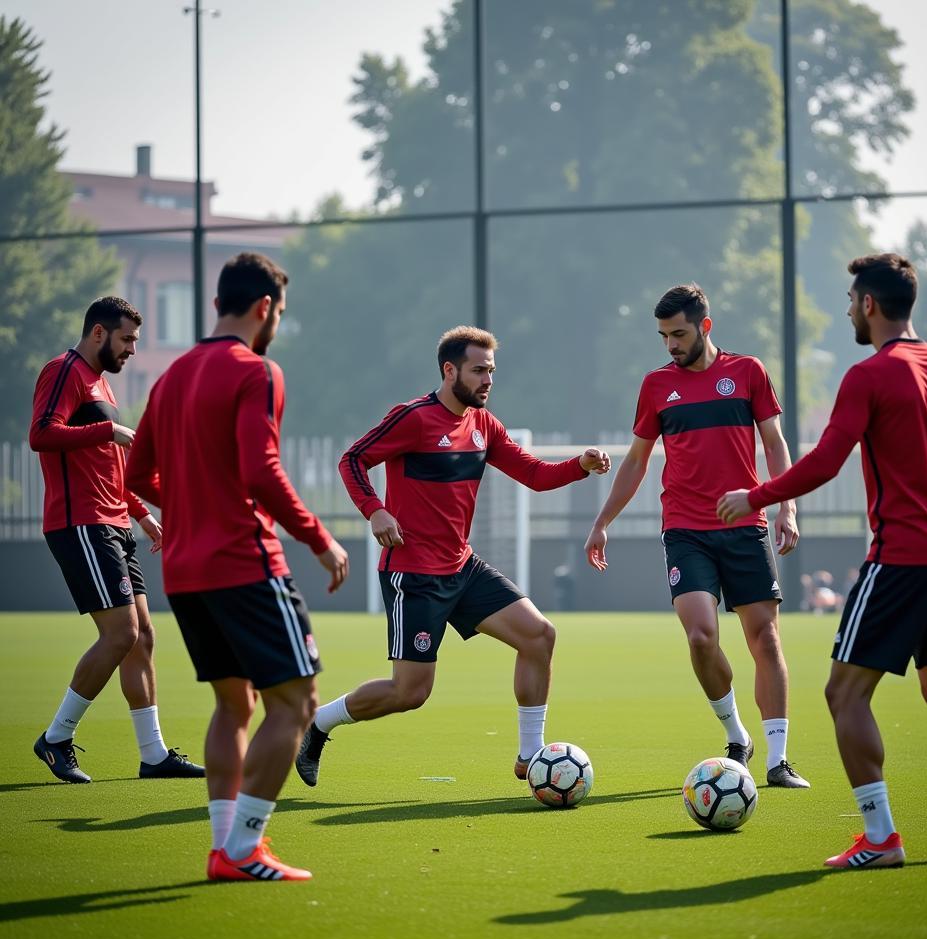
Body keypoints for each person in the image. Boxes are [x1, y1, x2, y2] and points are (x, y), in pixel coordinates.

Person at [718, 252, 927, 867]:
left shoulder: (869, 375)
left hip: (904, 555)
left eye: (852, 301)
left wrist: (756, 495)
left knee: (845, 694)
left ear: (870, 305)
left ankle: (880, 838)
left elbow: (825, 461)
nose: (848, 309)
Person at [294, 326, 609, 787]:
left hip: (462, 567)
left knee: (539, 636)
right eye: (479, 370)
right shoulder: (413, 418)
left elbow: (534, 475)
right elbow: (353, 459)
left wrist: (579, 466)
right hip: (413, 575)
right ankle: (319, 722)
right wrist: (375, 510)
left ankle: (530, 757)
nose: (488, 380)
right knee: (411, 692)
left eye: (491, 371)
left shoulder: (483, 424)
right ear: (450, 370)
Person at [126, 252, 350, 882]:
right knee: (298, 701)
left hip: (185, 573)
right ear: (265, 308)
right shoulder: (257, 372)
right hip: (243, 563)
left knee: (234, 706)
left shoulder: (169, 377)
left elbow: (137, 476)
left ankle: (225, 849)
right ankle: (244, 846)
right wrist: (318, 538)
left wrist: (193, 507)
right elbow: (261, 471)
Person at [584, 283, 809, 789]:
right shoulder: (656, 385)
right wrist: (602, 522)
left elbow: (774, 444)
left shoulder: (748, 372)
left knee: (765, 639)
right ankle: (737, 736)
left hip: (744, 525)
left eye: (679, 333)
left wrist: (785, 508)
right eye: (663, 335)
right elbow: (637, 461)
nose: (670, 344)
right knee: (701, 635)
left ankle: (777, 761)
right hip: (685, 527)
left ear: (705, 326)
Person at [29, 297, 203, 784]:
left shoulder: (100, 383)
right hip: (80, 524)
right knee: (121, 634)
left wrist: (141, 515)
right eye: (127, 340)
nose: (131, 350)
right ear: (100, 333)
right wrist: (110, 429)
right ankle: (57, 737)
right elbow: (42, 434)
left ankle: (153, 756)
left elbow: (108, 464)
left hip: (115, 523)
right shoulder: (62, 371)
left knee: (143, 637)